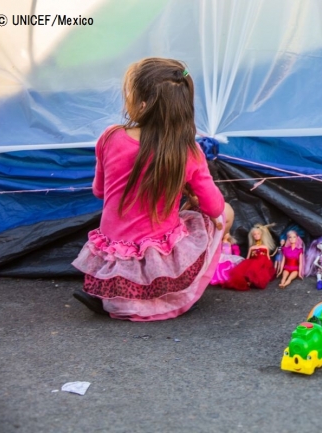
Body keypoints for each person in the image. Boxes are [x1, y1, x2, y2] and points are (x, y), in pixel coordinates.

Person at [71, 57, 233, 320]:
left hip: (113, 248)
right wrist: (191, 195)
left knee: (124, 235)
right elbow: (214, 207)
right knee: (225, 212)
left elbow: (100, 191)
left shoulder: (110, 136)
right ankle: (177, 294)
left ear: (142, 104)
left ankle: (111, 294)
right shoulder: (188, 151)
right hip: (160, 256)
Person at [223, 223, 276, 290]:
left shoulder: (265, 247)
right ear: (252, 236)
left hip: (263, 262)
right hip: (253, 261)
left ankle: (251, 281)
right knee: (246, 269)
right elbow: (248, 258)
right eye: (254, 234)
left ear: (261, 235)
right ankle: (248, 281)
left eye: (258, 234)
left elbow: (268, 257)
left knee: (256, 267)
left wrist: (269, 266)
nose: (256, 236)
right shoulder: (252, 248)